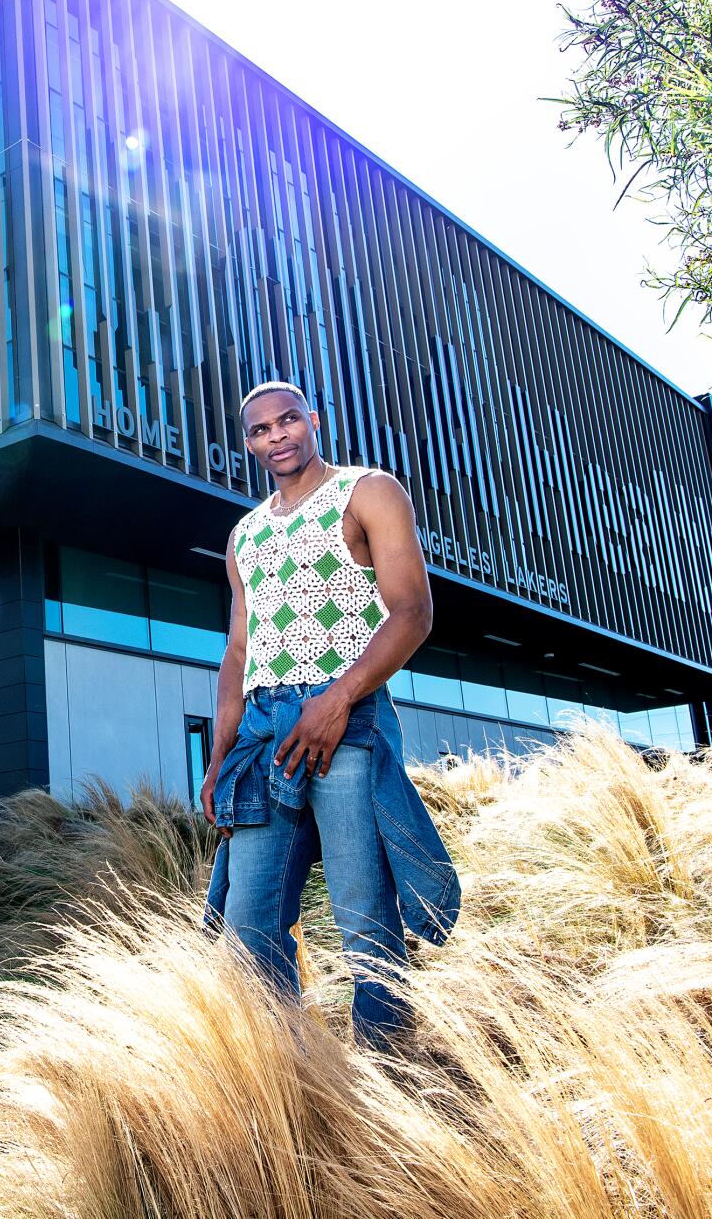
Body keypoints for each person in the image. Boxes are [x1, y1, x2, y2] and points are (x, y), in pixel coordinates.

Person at [199, 380, 460, 1050]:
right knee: (247, 928)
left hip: (345, 720)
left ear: (312, 420)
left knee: (364, 922)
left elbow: (413, 612)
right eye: (260, 429)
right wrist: (218, 754)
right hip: (264, 736)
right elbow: (236, 651)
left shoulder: (368, 491)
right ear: (249, 441)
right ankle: (293, 1080)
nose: (277, 435)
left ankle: (387, 1081)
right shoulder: (244, 536)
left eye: (288, 420)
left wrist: (337, 698)